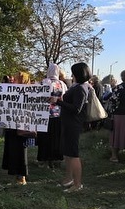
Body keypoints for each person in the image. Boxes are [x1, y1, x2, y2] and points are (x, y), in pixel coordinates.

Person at [52, 63, 91, 192]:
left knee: (73, 154)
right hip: (68, 123)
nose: (71, 74)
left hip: (73, 124)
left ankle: (78, 184)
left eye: (73, 72)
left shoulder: (81, 88)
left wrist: (58, 101)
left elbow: (76, 109)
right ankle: (68, 179)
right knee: (68, 153)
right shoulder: (78, 86)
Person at [1, 71, 32, 185]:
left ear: (22, 80)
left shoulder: (29, 93)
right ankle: (16, 175)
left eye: (17, 78)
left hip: (21, 127)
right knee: (12, 150)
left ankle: (22, 176)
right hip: (11, 126)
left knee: (20, 150)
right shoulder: (11, 91)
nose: (13, 79)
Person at [37, 63, 67, 168]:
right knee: (56, 138)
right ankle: (56, 159)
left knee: (44, 138)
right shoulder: (62, 84)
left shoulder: (44, 82)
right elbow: (64, 98)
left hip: (44, 115)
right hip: (58, 115)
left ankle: (44, 160)